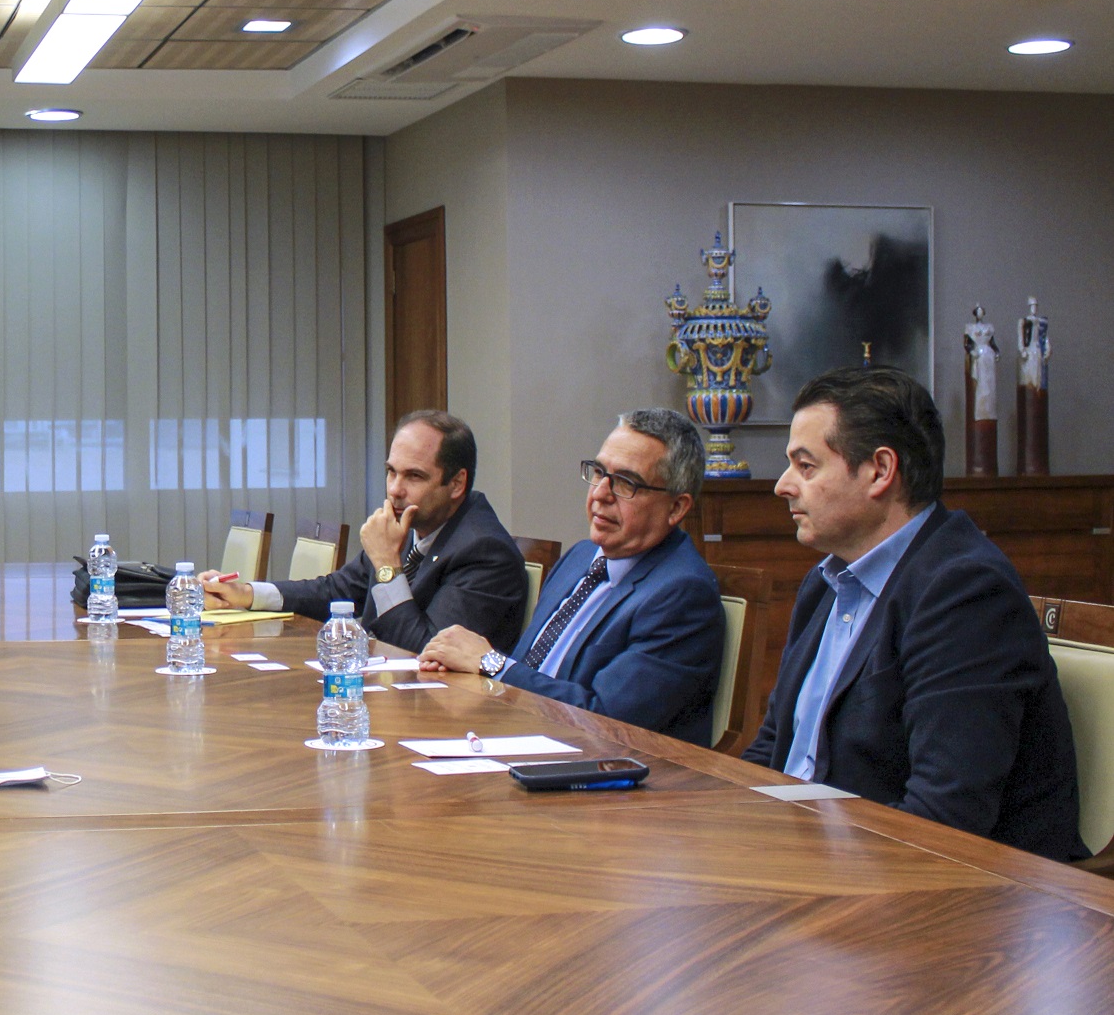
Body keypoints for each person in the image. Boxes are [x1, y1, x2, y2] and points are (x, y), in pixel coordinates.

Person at [744, 366, 1084, 859]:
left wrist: (793, 862)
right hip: (812, 853)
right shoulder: (825, 583)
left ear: (880, 471)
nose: (782, 485)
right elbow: (774, 750)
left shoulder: (965, 591)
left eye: (806, 465)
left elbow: (944, 816)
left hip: (948, 893)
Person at [421, 409, 725, 741]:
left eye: (626, 483)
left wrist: (492, 663)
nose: (599, 494)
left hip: (601, 770)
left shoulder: (682, 594)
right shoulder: (582, 557)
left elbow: (606, 719)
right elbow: (530, 669)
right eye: (598, 472)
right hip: (515, 735)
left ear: (677, 508)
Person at [203, 409, 530, 653]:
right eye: (391, 472)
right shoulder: (413, 523)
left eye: (414, 476)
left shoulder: (484, 551)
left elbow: (423, 651)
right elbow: (337, 590)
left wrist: (387, 564)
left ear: (456, 483)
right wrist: (248, 594)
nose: (395, 490)